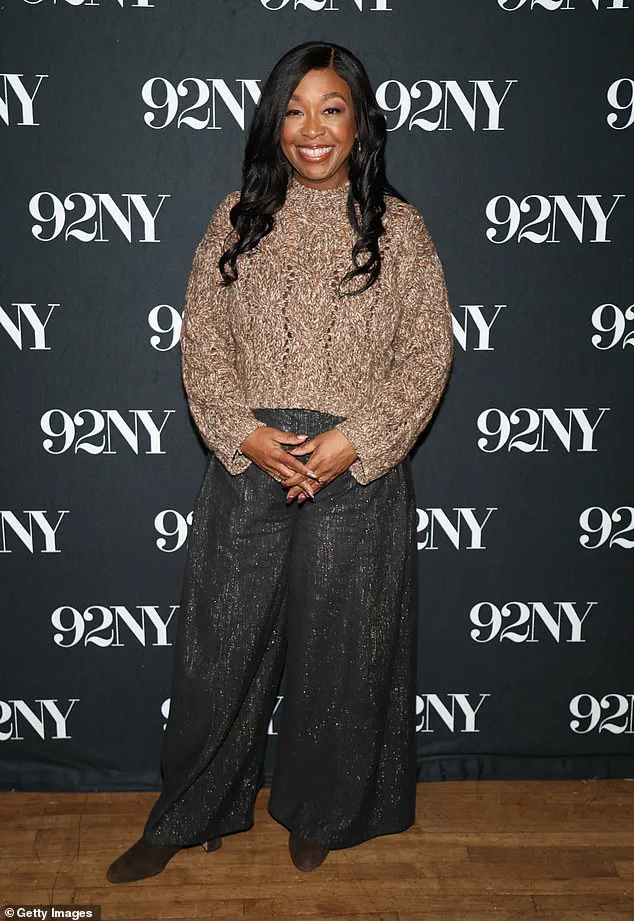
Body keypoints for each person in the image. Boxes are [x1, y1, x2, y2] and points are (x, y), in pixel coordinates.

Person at [106, 39, 454, 884]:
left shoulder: (399, 230)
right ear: (273, 124)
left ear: (360, 124)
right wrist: (247, 433)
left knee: (346, 651)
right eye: (294, 109)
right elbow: (205, 350)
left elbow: (426, 353)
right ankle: (189, 812)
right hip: (249, 458)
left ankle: (323, 811)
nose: (311, 128)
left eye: (331, 108)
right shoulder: (235, 219)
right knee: (217, 649)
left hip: (356, 466)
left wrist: (354, 442)